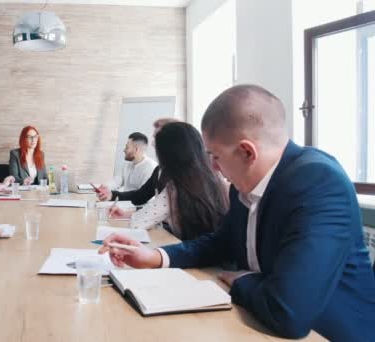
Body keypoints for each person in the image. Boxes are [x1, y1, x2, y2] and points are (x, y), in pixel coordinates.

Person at [99, 85, 375, 340]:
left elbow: (288, 312)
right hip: (259, 323)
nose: (213, 169)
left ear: (247, 152)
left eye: (215, 156)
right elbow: (221, 243)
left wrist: (241, 280)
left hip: (328, 334)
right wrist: (156, 256)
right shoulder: (243, 187)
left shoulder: (318, 182)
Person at [109, 122, 228, 240]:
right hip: (202, 248)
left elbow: (138, 221)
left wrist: (132, 215)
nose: (152, 143)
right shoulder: (210, 177)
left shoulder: (176, 186)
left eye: (156, 138)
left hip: (193, 251)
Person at [97, 118, 177, 204]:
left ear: (136, 149)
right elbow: (139, 194)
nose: (153, 144)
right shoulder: (158, 170)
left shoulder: (151, 167)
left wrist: (113, 196)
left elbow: (145, 199)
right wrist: (107, 190)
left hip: (136, 206)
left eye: (127, 147)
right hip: (128, 204)